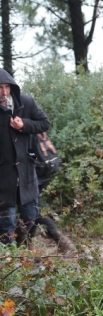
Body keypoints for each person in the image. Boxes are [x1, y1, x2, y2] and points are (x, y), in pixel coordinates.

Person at [0, 68, 51, 246]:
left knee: (30, 219)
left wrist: (24, 125)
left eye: (6, 87)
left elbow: (45, 123)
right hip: (3, 179)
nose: (4, 92)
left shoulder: (26, 102)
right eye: (0, 87)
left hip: (27, 175)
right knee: (6, 228)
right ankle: (9, 265)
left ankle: (22, 255)